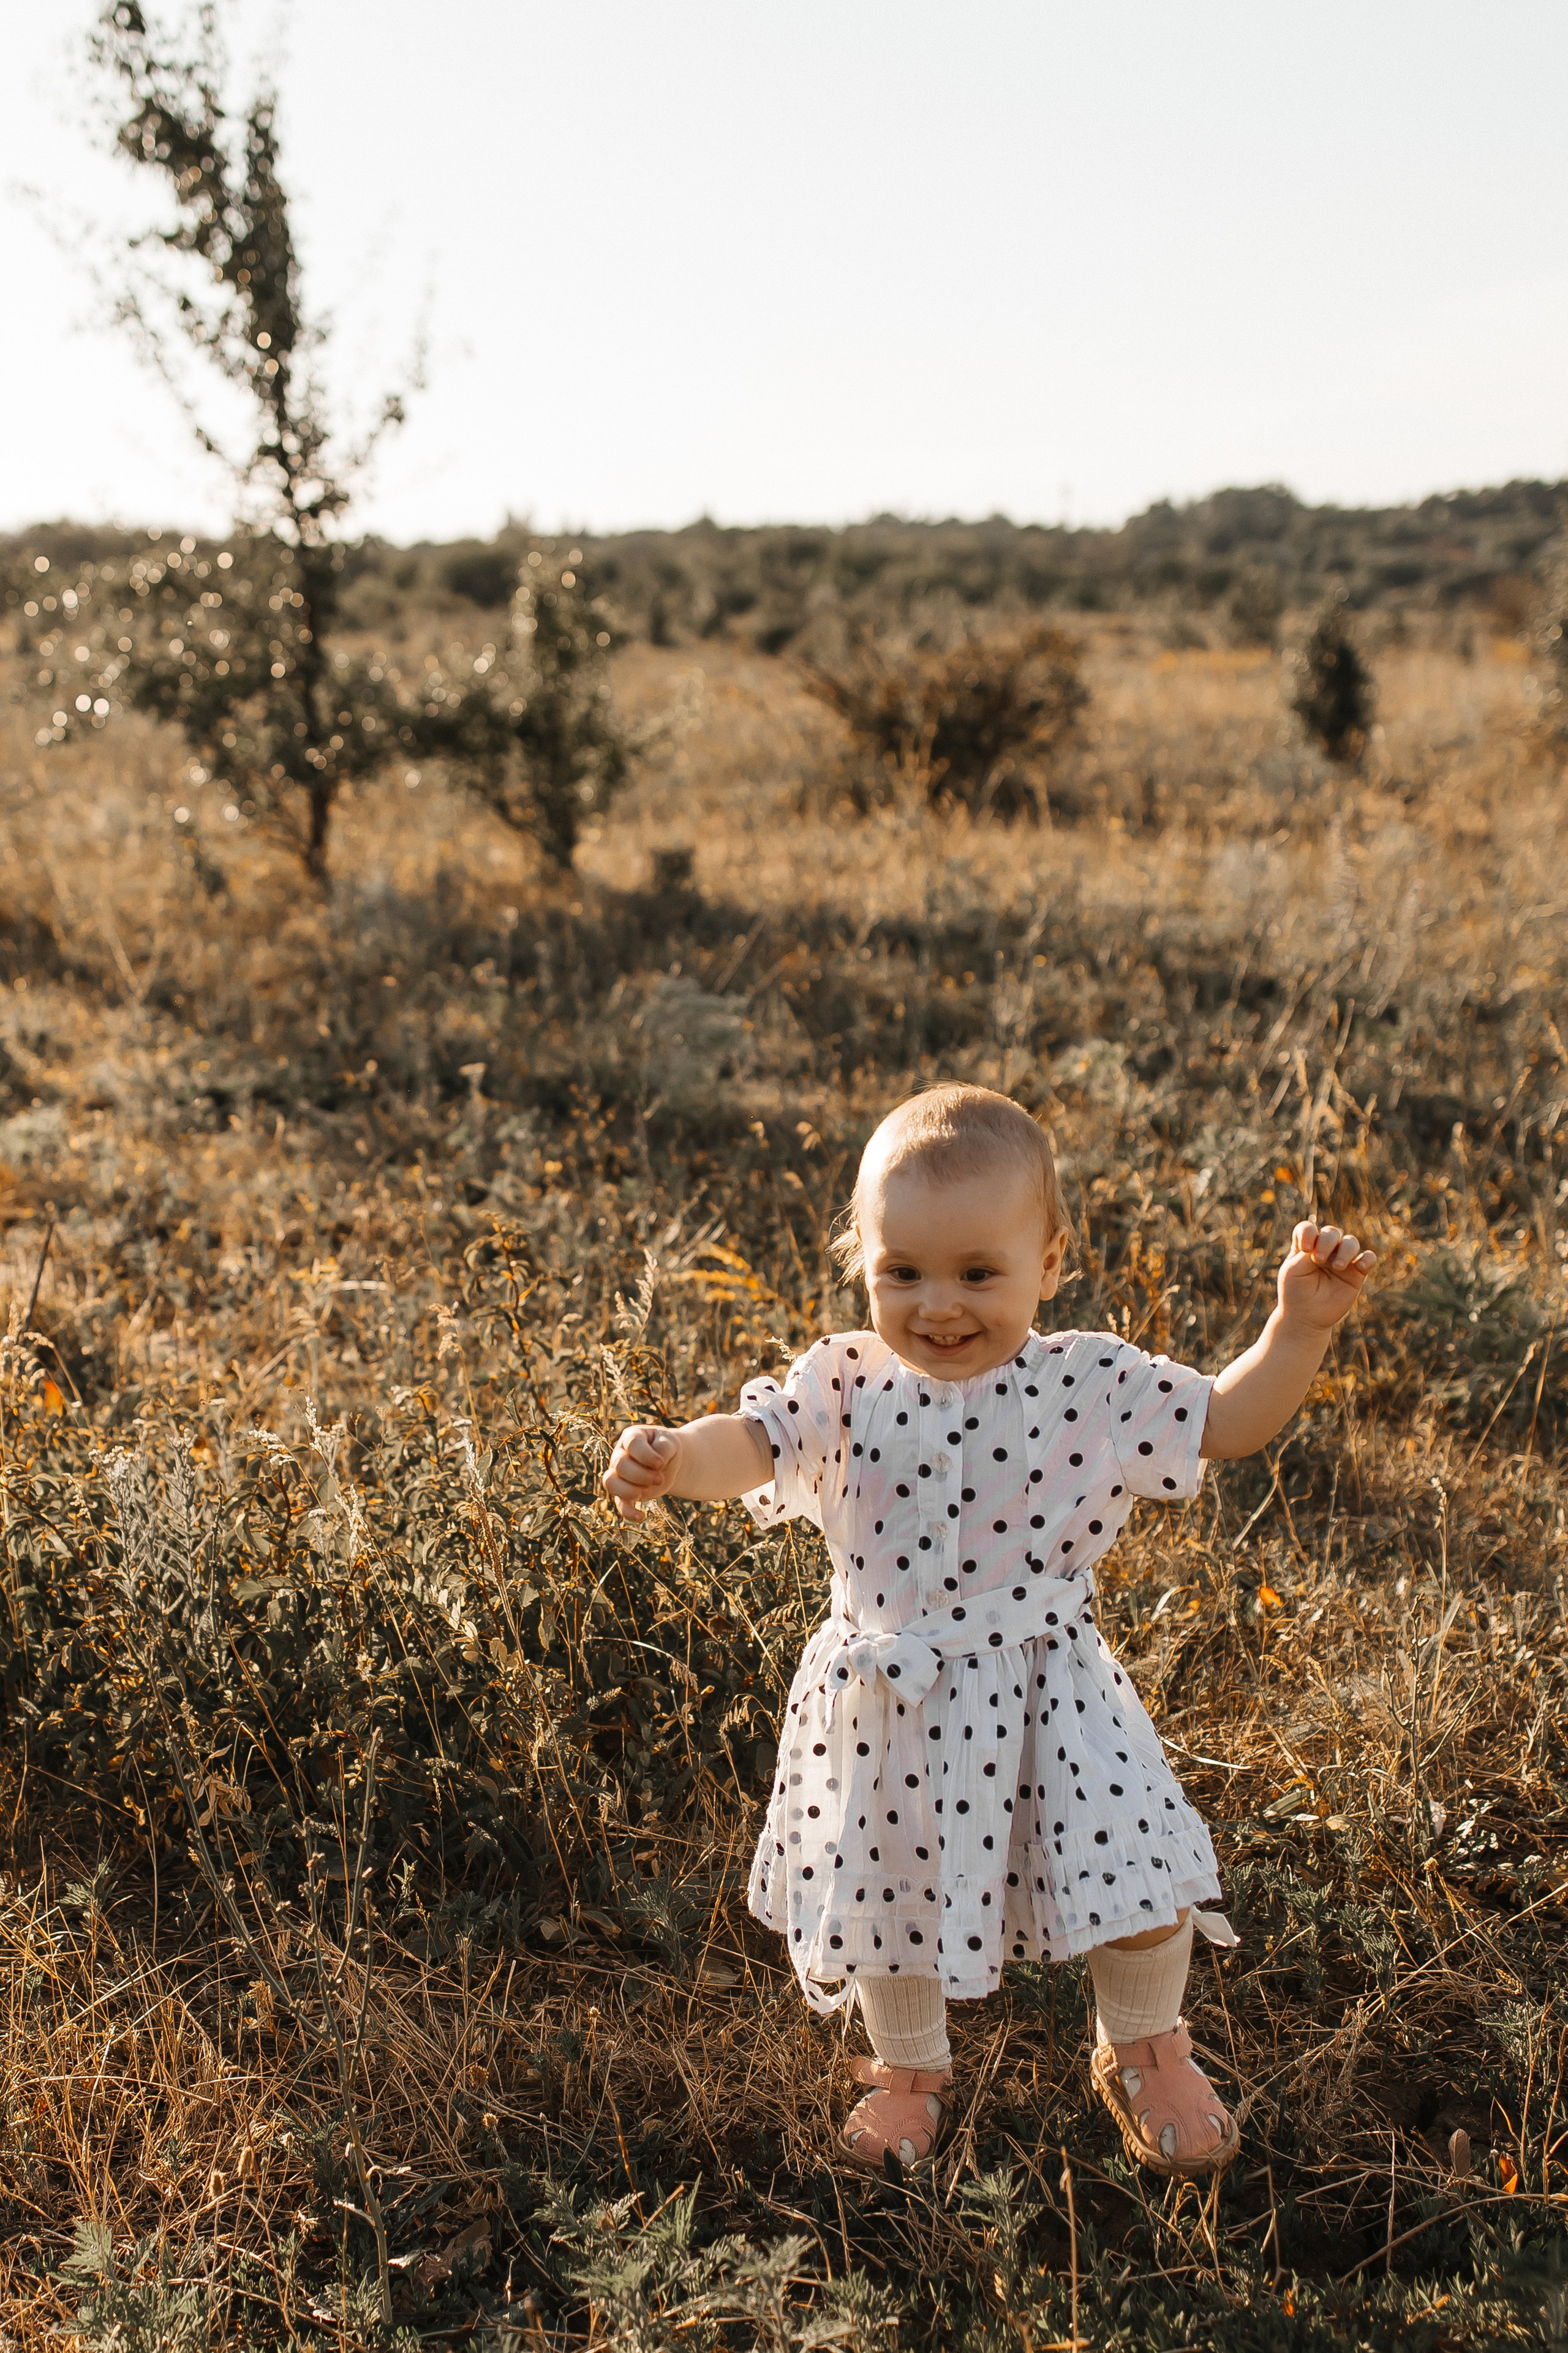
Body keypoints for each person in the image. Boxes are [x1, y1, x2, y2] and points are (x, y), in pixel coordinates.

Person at [604, 1084, 1376, 2180]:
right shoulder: (844, 1380)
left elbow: (1228, 1421)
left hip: (1051, 1684)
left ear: (1050, 1262)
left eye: (978, 1272)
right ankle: (909, 2065)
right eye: (903, 1271)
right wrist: (680, 1457)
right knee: (889, 1890)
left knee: (1139, 1876)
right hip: (891, 1698)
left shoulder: (1089, 1380)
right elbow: (756, 1445)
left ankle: (1144, 2042)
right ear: (860, 1259)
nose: (939, 1304)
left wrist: (1297, 1326)